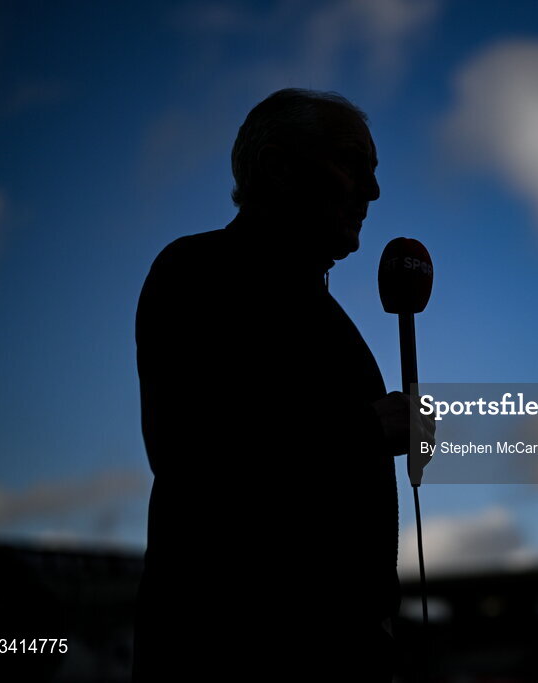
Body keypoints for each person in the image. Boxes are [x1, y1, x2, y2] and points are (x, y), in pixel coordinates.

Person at [132, 88, 433, 681]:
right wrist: (370, 429)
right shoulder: (195, 273)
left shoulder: (334, 321)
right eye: (352, 165)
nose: (371, 193)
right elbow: (192, 453)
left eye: (374, 174)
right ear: (277, 169)